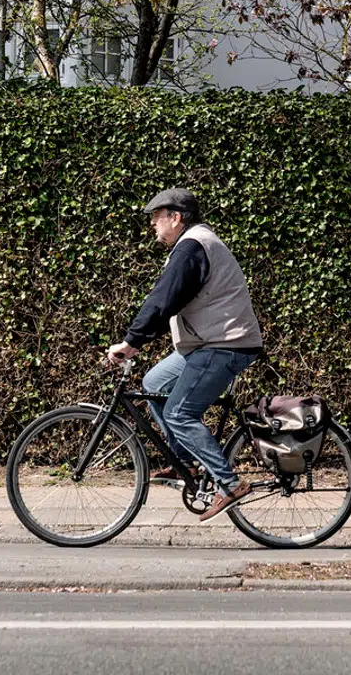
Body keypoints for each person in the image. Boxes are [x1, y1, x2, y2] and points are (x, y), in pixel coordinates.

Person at [104, 187, 263, 521]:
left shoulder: (192, 246)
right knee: (155, 382)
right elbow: (170, 304)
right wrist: (138, 340)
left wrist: (131, 342)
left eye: (156, 218)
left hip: (225, 343)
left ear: (175, 218)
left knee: (179, 413)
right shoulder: (191, 245)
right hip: (208, 342)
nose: (153, 225)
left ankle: (229, 484)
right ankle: (184, 463)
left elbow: (163, 300)